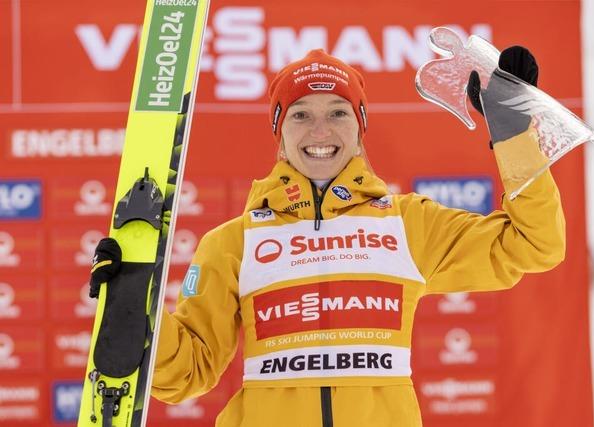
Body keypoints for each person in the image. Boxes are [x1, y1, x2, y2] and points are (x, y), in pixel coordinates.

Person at [92, 48, 565, 426]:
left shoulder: (409, 225)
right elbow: (188, 375)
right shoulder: (233, 243)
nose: (321, 129)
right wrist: (136, 303)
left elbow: (534, 243)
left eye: (338, 112)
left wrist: (514, 135)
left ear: (360, 129)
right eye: (300, 114)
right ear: (278, 134)